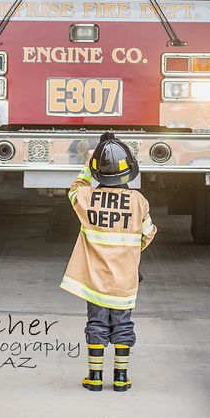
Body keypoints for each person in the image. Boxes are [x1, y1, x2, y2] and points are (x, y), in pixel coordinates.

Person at [60, 132, 157, 392]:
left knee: (96, 324)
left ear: (97, 173)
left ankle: (94, 377)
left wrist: (90, 162)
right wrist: (130, 254)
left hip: (95, 281)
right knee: (123, 324)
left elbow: (74, 189)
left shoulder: (87, 197)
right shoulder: (139, 202)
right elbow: (148, 233)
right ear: (129, 173)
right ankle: (121, 378)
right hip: (124, 282)